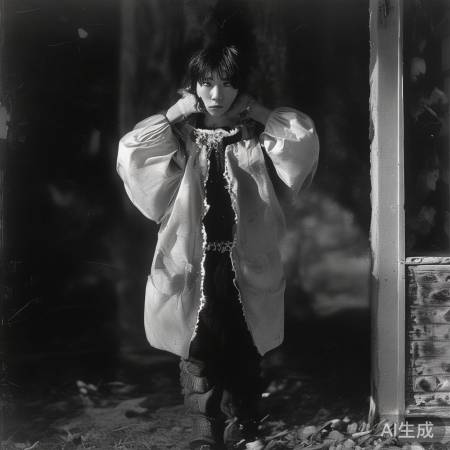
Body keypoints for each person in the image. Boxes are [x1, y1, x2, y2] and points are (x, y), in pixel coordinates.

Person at [117, 43, 319, 450]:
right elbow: (132, 152)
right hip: (194, 259)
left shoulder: (254, 134)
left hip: (245, 258)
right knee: (198, 343)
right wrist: (175, 113)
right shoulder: (180, 135)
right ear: (193, 86)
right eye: (207, 83)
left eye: (227, 84)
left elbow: (302, 143)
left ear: (240, 88)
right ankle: (204, 427)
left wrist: (258, 112)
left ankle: (243, 421)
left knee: (245, 338)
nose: (216, 94)